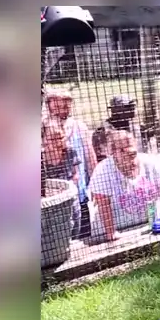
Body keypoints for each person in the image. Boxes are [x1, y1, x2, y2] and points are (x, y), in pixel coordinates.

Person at [88, 130, 160, 243]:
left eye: (133, 152)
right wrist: (111, 233)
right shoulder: (102, 170)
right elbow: (103, 203)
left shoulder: (151, 162)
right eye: (124, 152)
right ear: (113, 153)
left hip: (147, 224)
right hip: (115, 229)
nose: (131, 157)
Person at [45, 89, 98, 238]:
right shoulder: (43, 129)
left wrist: (96, 185)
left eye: (66, 107)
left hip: (79, 192)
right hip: (53, 196)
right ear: (49, 106)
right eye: (57, 107)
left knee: (84, 232)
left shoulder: (79, 127)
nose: (62, 111)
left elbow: (90, 158)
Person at [41, 116, 81, 236]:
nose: (58, 142)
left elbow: (76, 174)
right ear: (43, 139)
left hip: (70, 203)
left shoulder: (70, 153)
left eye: (60, 137)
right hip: (49, 207)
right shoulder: (39, 158)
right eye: (53, 139)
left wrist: (68, 191)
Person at [92, 94, 143, 163]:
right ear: (114, 110)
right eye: (127, 106)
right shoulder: (103, 132)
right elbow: (103, 159)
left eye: (133, 106)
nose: (132, 109)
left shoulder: (135, 128)